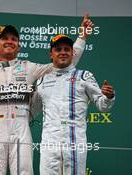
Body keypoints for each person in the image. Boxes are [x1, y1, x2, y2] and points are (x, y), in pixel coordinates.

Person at [0, 15, 93, 175]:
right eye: (4, 38)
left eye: (14, 39)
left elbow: (65, 62)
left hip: (21, 128)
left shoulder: (29, 67)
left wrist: (82, 37)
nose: (9, 41)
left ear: (19, 46)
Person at [33, 34, 115, 175]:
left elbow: (103, 106)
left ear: (73, 53)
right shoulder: (41, 81)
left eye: (67, 49)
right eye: (58, 49)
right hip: (49, 143)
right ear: (51, 54)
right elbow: (33, 111)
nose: (63, 52)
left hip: (75, 142)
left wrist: (109, 96)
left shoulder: (84, 76)